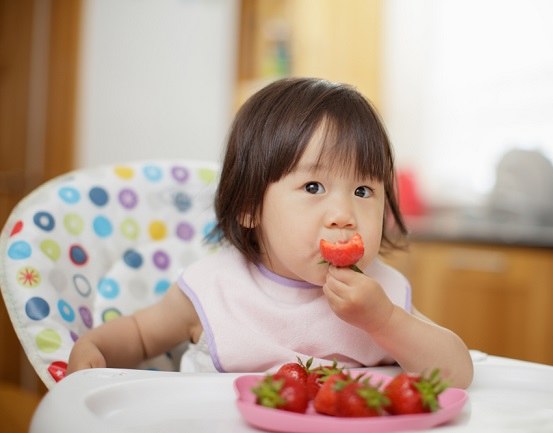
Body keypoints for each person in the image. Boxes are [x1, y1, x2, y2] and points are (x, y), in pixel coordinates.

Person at [67, 77, 473, 388]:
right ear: (249, 206)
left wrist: (384, 321)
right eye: (313, 187)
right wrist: (95, 348)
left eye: (363, 190)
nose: (344, 215)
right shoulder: (216, 286)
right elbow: (139, 335)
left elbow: (456, 373)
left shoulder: (381, 296)